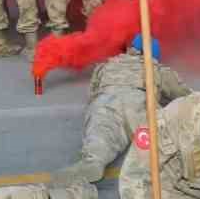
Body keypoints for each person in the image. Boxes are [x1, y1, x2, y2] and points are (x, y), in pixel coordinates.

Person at [50, 35, 192, 187]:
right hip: (138, 102)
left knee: (101, 136)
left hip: (105, 101)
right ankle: (174, 167)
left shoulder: (107, 65)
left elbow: (92, 93)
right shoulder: (156, 68)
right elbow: (184, 95)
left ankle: (93, 160)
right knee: (161, 143)